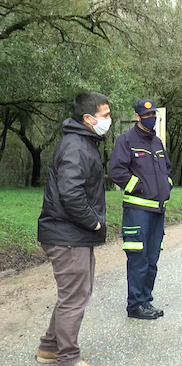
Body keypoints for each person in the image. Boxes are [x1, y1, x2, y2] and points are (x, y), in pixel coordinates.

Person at [35, 91, 111, 366]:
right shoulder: (76, 146)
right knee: (74, 298)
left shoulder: (83, 143)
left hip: (72, 234)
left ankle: (49, 348)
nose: (109, 120)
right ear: (88, 118)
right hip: (68, 235)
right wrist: (93, 221)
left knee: (74, 294)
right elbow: (70, 193)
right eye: (105, 115)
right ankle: (68, 358)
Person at [109, 99, 172, 320]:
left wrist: (167, 186)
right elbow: (116, 171)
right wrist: (140, 188)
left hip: (158, 211)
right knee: (138, 257)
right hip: (138, 211)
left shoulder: (157, 142)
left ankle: (146, 300)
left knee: (152, 258)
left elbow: (167, 169)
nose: (150, 117)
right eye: (146, 114)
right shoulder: (126, 140)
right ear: (137, 116)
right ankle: (135, 304)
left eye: (153, 113)